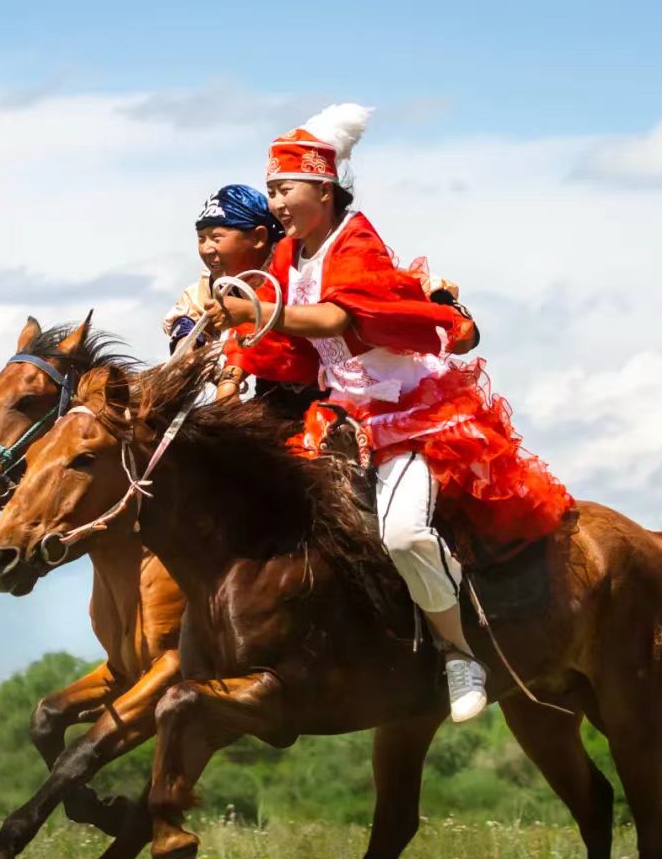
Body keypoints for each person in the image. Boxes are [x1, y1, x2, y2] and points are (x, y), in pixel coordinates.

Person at [207, 105, 574, 724]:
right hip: (341, 414)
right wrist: (227, 346)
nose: (274, 201)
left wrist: (251, 315)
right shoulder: (289, 256)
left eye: (283, 188)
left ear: (323, 188)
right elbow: (278, 338)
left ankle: (460, 653)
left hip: (409, 413)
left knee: (403, 533)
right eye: (270, 189)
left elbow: (334, 320)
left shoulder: (356, 242)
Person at [163, 183, 318, 420]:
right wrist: (186, 341)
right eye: (201, 239)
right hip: (274, 400)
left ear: (258, 237)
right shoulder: (219, 284)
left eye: (216, 237)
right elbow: (193, 310)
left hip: (335, 392)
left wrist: (230, 380)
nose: (207, 249)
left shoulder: (300, 270)